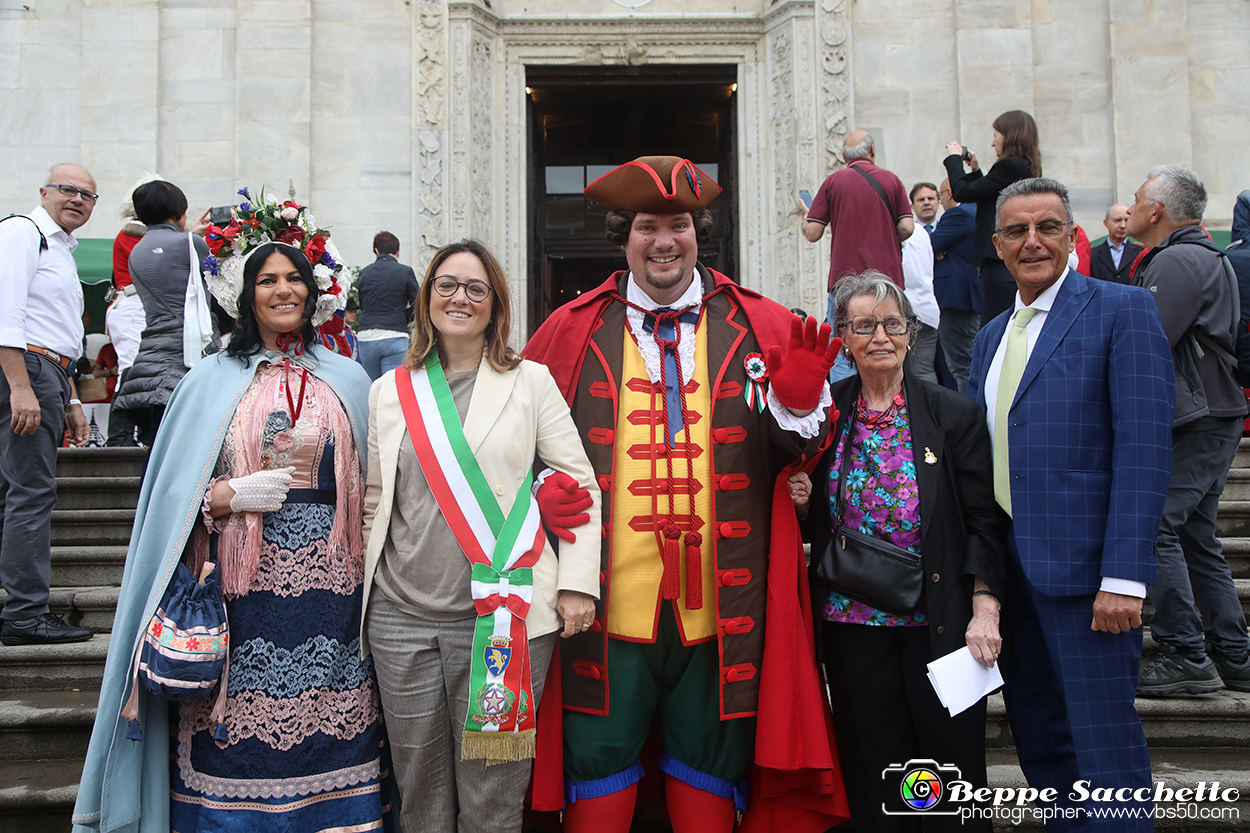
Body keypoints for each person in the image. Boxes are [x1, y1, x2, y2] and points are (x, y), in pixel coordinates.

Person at [525, 155, 849, 833]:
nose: (663, 240)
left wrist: (797, 406)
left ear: (699, 233)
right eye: (647, 226)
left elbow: (807, 450)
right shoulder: (568, 327)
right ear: (625, 236)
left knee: (712, 756)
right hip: (604, 603)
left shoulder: (760, 321)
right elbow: (513, 442)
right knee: (598, 755)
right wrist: (539, 496)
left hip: (725, 602)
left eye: (678, 224)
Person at [73, 232, 395, 831]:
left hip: (336, 593)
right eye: (267, 280)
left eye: (294, 278)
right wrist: (222, 497)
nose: (283, 290)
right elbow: (169, 494)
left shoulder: (351, 378)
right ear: (246, 296)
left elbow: (383, 480)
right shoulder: (209, 380)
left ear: (315, 288)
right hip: (239, 592)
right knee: (231, 735)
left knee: (339, 727)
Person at [360, 238, 601, 833]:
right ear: (426, 299)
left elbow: (579, 484)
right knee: (418, 791)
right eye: (446, 285)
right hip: (399, 617)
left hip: (502, 614)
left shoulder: (531, 382)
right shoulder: (390, 389)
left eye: (475, 288)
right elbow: (375, 499)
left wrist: (577, 586)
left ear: (495, 304)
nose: (459, 298)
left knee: (493, 795)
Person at [969, 177, 1173, 826]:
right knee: (1043, 745)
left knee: (1104, 753)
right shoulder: (989, 336)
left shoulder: (1122, 311)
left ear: (1071, 237)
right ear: (998, 246)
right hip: (1013, 580)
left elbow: (1143, 452)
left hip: (1090, 584)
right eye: (1018, 232)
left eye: (1048, 228)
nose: (1033, 242)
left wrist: (1124, 577)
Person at [797, 270, 1004, 832]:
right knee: (874, 762)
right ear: (844, 336)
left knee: (948, 765)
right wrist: (796, 494)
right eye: (864, 325)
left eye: (892, 323)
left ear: (911, 333)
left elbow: (985, 518)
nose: (880, 336)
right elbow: (804, 509)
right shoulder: (823, 414)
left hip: (939, 621)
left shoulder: (950, 413)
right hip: (852, 619)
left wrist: (986, 606)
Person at [1126, 166, 1250, 695]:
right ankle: (1235, 657)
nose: (1128, 208)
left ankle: (1184, 653)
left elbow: (1144, 342)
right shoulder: (1199, 255)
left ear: (1156, 211)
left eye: (1135, 200)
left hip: (1196, 417)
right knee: (1196, 536)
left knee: (1157, 528)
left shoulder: (1176, 259)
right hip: (1212, 413)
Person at [0, 165, 95, 646]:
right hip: (27, 369)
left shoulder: (60, 248)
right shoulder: (25, 231)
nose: (77, 199)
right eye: (68, 190)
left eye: (88, 195)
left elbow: (59, 327)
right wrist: (21, 386)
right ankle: (23, 615)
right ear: (44, 192)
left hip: (48, 371)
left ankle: (18, 609)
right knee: (31, 493)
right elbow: (5, 310)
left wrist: (73, 397)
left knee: (15, 492)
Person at [110, 180, 216, 446]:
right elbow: (218, 285)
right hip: (186, 353)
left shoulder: (137, 251)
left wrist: (192, 235)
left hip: (150, 355)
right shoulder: (189, 243)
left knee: (157, 445)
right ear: (178, 211)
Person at [804, 130, 914, 382]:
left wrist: (806, 218)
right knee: (889, 342)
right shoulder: (891, 180)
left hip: (845, 282)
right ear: (872, 151)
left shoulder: (833, 182)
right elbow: (907, 227)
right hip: (887, 281)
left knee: (844, 347)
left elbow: (812, 233)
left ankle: (845, 409)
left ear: (844, 156)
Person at [945, 110, 1042, 325]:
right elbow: (986, 197)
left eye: (995, 135)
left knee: (996, 326)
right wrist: (976, 170)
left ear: (1009, 136)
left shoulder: (1009, 166)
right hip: (1005, 262)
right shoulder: (1022, 166)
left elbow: (963, 193)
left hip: (1000, 263)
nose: (992, 143)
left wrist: (953, 159)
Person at [930, 178, 980, 393]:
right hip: (968, 299)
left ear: (949, 193)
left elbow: (928, 246)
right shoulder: (975, 211)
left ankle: (968, 420)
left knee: (961, 367)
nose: (940, 203)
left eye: (940, 196)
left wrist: (934, 245)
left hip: (956, 299)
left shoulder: (958, 214)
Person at [357, 231, 420, 380]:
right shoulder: (405, 271)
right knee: (392, 388)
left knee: (371, 388)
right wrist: (403, 318)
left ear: (376, 251)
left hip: (367, 335)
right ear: (398, 251)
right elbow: (419, 303)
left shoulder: (364, 273)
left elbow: (363, 304)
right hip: (394, 334)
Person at [901, 187, 940, 384]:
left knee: (913, 374)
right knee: (924, 371)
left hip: (906, 310)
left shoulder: (903, 232)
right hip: (927, 309)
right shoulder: (923, 232)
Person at [1089, 204, 1144, 284]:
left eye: (1126, 220)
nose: (1123, 225)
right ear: (1106, 223)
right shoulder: (1092, 254)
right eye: (1117, 220)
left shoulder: (1140, 252)